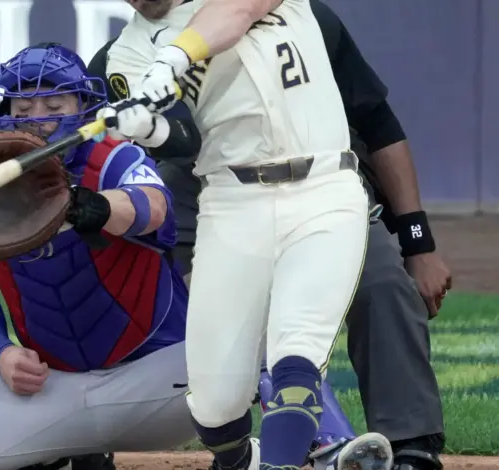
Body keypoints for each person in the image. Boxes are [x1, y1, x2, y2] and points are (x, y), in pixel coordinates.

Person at [0, 43, 387, 470]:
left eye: (54, 107)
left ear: (81, 108)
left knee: (261, 341)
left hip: (166, 381)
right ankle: (62, 456)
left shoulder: (112, 158)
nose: (38, 120)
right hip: (54, 390)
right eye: (23, 109)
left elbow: (153, 208)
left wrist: (86, 206)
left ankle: (330, 450)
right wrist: (0, 352)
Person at [88, 1, 450, 469]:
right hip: (224, 196)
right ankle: (234, 456)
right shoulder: (124, 56)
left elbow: (376, 122)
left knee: (311, 341)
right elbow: (184, 141)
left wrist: (418, 241)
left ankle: (407, 444)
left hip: (324, 182)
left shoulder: (296, 9)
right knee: (214, 401)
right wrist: (152, 127)